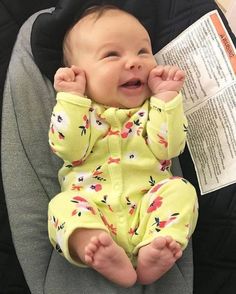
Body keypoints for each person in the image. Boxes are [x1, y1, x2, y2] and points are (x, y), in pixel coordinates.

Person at [48, 5, 198, 288]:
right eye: (112, 55)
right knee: (61, 206)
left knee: (180, 190)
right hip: (93, 210)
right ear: (79, 74)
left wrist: (166, 98)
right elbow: (68, 149)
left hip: (147, 207)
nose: (134, 62)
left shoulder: (150, 111)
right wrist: (71, 98)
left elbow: (170, 148)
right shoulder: (81, 112)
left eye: (143, 51)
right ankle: (93, 247)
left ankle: (155, 247)